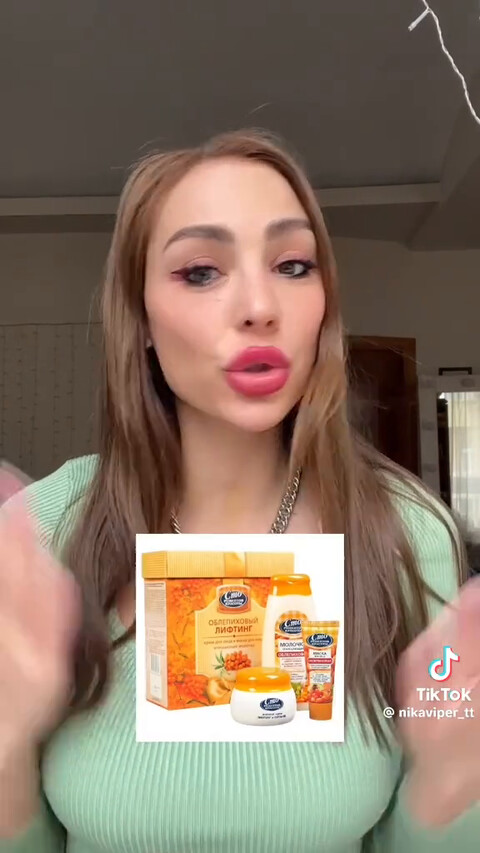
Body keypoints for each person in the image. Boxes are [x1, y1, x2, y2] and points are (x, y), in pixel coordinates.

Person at [0, 129, 479, 853]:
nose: (260, 306)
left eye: (293, 265)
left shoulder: (410, 535)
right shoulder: (42, 531)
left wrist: (450, 782)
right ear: (142, 321)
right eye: (200, 271)